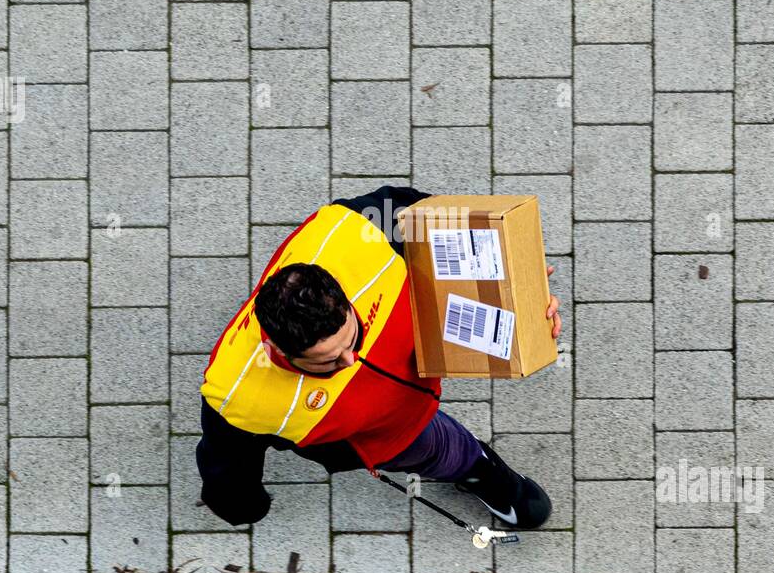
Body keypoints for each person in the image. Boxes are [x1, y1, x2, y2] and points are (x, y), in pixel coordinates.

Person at [196, 184, 561, 530]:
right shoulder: (236, 398)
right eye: (327, 362)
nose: (350, 362)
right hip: (383, 434)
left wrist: (514, 273)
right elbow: (227, 467)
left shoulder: (351, 229)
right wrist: (243, 506)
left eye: (351, 339)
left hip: (410, 350)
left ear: (339, 294)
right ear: (275, 350)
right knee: (438, 449)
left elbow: (424, 215)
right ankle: (477, 470)